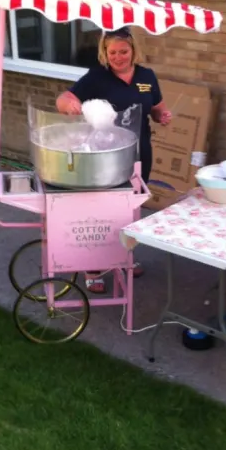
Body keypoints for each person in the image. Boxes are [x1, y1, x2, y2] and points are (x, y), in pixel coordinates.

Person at [56, 26, 172, 294]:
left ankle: (123, 258)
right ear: (104, 53)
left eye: (124, 51)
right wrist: (69, 106)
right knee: (103, 207)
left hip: (140, 152)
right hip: (105, 155)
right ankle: (93, 265)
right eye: (113, 52)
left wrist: (162, 116)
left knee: (130, 208)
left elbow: (156, 107)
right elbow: (66, 97)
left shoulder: (146, 76)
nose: (119, 57)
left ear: (133, 50)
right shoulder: (98, 77)